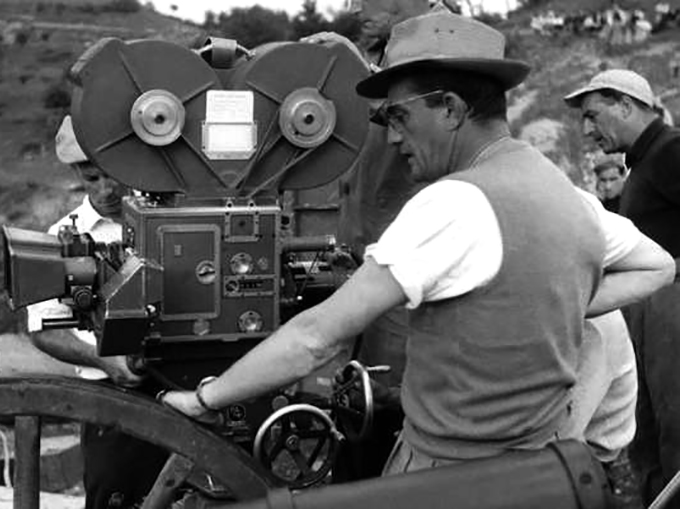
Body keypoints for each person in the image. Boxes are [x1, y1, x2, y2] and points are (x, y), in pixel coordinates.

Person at [163, 9, 674, 474]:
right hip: (534, 468)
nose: (391, 136)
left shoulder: (454, 203)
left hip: (446, 472)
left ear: (450, 108)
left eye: (398, 116)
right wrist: (548, 303)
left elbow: (316, 339)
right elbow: (657, 266)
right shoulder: (566, 192)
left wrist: (205, 398)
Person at [303, 0, 430, 481]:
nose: (354, 8)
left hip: (405, 279)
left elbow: (414, 113)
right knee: (356, 397)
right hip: (362, 268)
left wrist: (354, 72)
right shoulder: (382, 51)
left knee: (387, 399)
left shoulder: (446, 41)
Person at [27, 115, 168, 509]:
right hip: (111, 395)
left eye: (113, 175)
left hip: (182, 384)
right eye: (92, 178)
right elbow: (44, 330)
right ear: (77, 174)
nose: (106, 189)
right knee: (113, 491)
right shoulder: (64, 237)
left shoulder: (170, 220)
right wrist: (104, 360)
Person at [565, 68, 680, 506]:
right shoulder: (647, 162)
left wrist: (670, 271)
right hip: (651, 311)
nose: (587, 130)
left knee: (674, 424)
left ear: (626, 105)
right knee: (649, 428)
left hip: (671, 308)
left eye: (593, 115)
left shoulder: (670, 150)